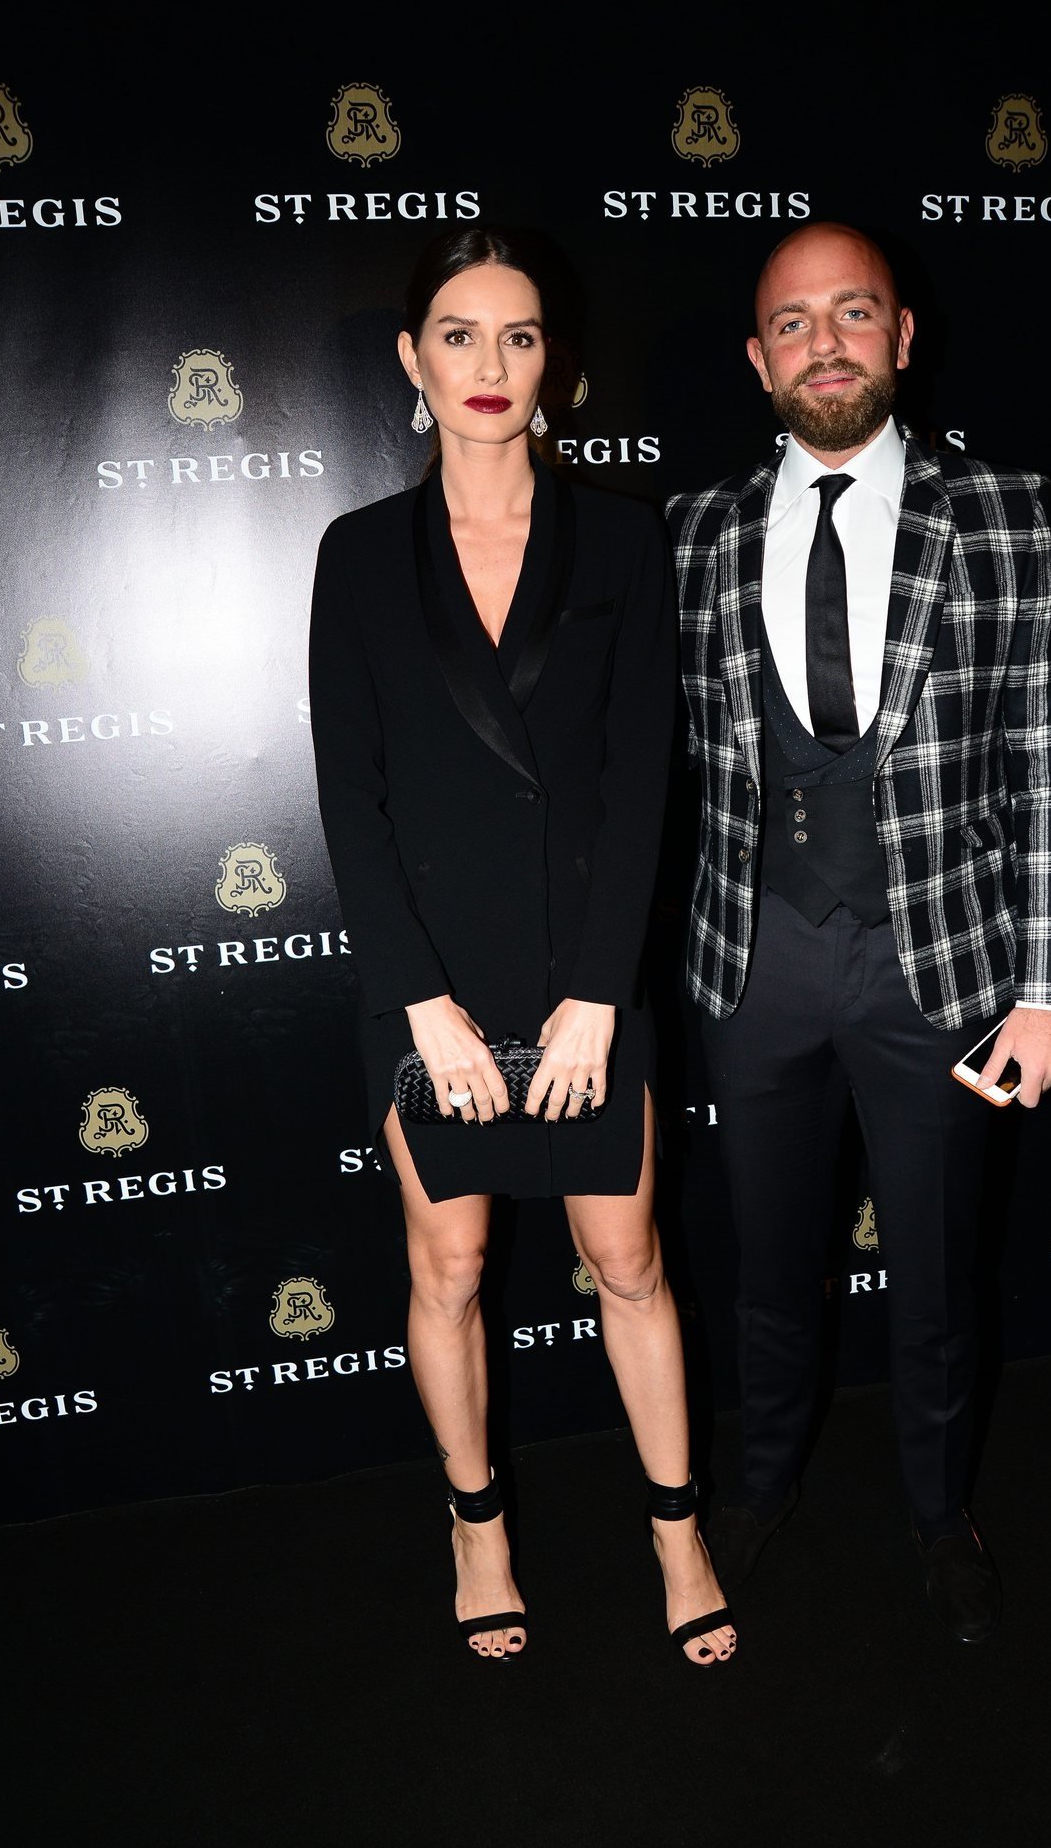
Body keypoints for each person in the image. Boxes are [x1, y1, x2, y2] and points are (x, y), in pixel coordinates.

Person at [308, 226, 735, 1664]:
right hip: (429, 977)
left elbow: (640, 779)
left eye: (520, 335)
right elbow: (350, 795)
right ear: (411, 359)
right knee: (450, 1265)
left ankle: (676, 1529)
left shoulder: (620, 539)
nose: (489, 364)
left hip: (584, 975)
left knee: (629, 1259)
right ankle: (476, 1525)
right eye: (458, 334)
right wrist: (416, 1001)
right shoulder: (358, 556)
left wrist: (599, 996)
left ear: (555, 362)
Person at [668, 222, 1051, 1643]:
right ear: (757, 358)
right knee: (765, 1264)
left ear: (902, 335)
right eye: (793, 323)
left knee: (935, 1274)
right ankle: (761, 1482)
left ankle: (938, 1512)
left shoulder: (1007, 513)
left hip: (945, 967)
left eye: (853, 313)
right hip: (752, 963)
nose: (825, 344)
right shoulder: (693, 531)